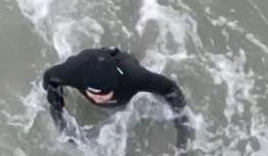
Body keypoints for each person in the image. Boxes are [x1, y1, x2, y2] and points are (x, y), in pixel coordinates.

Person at [38, 48, 194, 141]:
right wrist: (57, 106)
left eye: (104, 95)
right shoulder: (72, 73)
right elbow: (49, 78)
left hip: (121, 62)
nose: (97, 98)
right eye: (92, 94)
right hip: (87, 61)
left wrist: (182, 128)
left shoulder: (134, 77)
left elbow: (171, 89)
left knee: (134, 56)